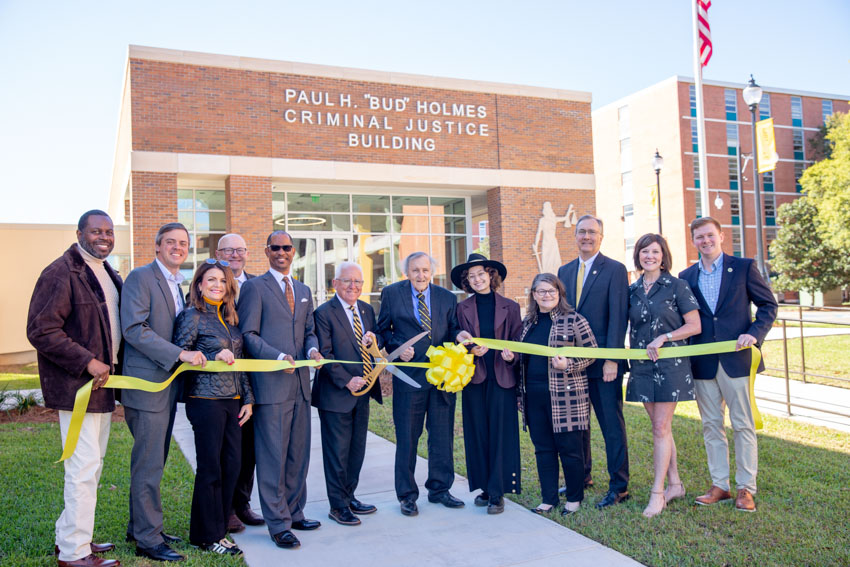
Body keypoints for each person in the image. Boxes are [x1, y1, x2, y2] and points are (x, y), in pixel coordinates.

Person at [26, 210, 122, 567]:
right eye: (96, 231)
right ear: (79, 232)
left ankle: (72, 536)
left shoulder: (106, 272)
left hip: (102, 389)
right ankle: (74, 554)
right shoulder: (60, 271)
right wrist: (86, 361)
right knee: (82, 469)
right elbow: (41, 330)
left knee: (91, 468)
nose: (104, 237)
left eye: (109, 231)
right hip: (76, 387)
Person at [679, 217, 777, 512]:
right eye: (699, 237)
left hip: (737, 359)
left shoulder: (744, 268)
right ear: (694, 241)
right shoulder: (686, 276)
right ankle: (719, 485)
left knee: (743, 424)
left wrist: (754, 334)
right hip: (703, 363)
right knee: (711, 425)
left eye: (710, 235)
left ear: (720, 235)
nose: (705, 241)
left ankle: (746, 488)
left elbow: (768, 306)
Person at [121, 222, 206, 562]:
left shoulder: (177, 284)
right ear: (157, 246)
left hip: (167, 388)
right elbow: (134, 329)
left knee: (153, 461)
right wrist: (179, 355)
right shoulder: (142, 278)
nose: (177, 247)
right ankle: (148, 539)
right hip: (147, 386)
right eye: (170, 242)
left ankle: (138, 526)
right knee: (149, 465)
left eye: (183, 243)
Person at [237, 230, 323, 550]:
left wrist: (313, 351)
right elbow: (249, 334)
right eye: (276, 248)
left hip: (301, 385)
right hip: (271, 386)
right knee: (273, 456)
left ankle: (295, 511)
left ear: (293, 252)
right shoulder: (254, 288)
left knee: (297, 454)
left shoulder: (303, 289)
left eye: (287, 248)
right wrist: (275, 357)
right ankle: (277, 523)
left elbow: (309, 331)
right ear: (267, 251)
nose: (282, 252)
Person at [172, 260, 254, 555]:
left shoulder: (231, 320)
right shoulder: (191, 316)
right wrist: (210, 352)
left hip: (233, 402)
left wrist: (248, 399)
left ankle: (219, 529)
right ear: (199, 284)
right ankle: (207, 536)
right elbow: (179, 355)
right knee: (211, 468)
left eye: (222, 281)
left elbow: (240, 365)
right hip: (205, 401)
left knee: (232, 465)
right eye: (211, 280)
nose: (217, 285)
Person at [375, 252, 464, 517]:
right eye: (415, 271)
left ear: (432, 271)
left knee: (441, 436)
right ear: (407, 272)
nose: (421, 276)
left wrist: (460, 336)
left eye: (425, 270)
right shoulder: (391, 294)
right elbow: (383, 330)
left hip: (441, 377)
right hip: (408, 379)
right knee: (407, 438)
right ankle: (406, 495)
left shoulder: (448, 297)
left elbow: (453, 330)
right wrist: (396, 348)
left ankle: (439, 489)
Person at [557, 215, 631, 509]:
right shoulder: (564, 270)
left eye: (592, 232)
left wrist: (612, 359)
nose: (586, 236)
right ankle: (583, 477)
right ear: (575, 236)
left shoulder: (614, 269)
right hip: (573, 365)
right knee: (578, 425)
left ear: (601, 237)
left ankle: (619, 486)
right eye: (582, 232)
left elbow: (618, 317)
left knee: (611, 425)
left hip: (604, 365)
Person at [626, 233, 701, 518]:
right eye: (645, 252)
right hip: (643, 367)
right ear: (638, 256)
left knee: (660, 428)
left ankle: (657, 494)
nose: (650, 256)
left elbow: (695, 325)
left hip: (671, 367)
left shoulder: (677, 286)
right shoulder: (632, 290)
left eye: (655, 252)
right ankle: (676, 484)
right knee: (661, 429)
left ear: (663, 255)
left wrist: (665, 338)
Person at [513, 273, 596, 516]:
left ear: (559, 294)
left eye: (551, 291)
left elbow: (592, 353)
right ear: (534, 295)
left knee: (570, 449)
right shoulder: (528, 323)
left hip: (567, 397)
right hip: (534, 396)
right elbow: (523, 358)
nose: (546, 295)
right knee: (543, 449)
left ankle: (574, 498)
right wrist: (512, 360)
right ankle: (548, 499)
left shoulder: (574, 321)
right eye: (541, 291)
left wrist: (568, 364)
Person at [312, 262, 382, 526]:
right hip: (336, 394)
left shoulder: (366, 310)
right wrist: (346, 381)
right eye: (347, 281)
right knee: (337, 453)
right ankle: (337, 505)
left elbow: (375, 345)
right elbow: (326, 353)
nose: (354, 286)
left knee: (356, 450)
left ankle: (350, 495)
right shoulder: (324, 313)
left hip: (363, 393)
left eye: (358, 282)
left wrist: (376, 342)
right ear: (335, 284)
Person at [452, 253, 522, 515]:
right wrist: (470, 349)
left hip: (502, 376)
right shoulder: (462, 308)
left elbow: (518, 342)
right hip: (475, 378)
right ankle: (483, 486)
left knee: (500, 434)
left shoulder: (510, 307)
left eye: (481, 274)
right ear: (467, 282)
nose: (477, 279)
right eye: (472, 276)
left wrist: (512, 355)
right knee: (478, 433)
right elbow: (457, 339)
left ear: (491, 276)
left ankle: (497, 492)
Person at [215, 233, 264, 533]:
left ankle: (243, 502)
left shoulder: (258, 285)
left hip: (257, 376)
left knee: (250, 448)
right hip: (225, 378)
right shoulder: (210, 284)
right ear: (218, 253)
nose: (235, 255)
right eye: (228, 250)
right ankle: (227, 507)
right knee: (228, 447)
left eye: (240, 250)